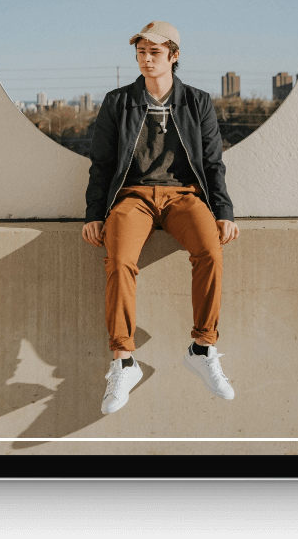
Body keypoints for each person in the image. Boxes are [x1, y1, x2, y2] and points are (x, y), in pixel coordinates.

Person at [82, 21, 240, 415]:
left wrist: (223, 211)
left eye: (154, 53)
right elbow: (100, 164)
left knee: (210, 251)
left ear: (174, 56)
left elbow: (213, 162)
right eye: (140, 52)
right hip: (132, 198)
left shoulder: (197, 102)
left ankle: (203, 348)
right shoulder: (117, 102)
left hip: (184, 196)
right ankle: (124, 361)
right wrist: (93, 214)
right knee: (118, 261)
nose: (146, 59)